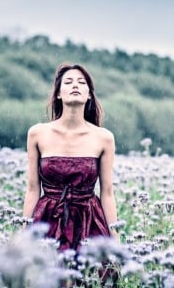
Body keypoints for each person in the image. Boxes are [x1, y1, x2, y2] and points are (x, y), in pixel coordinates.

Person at [22, 62, 119, 251]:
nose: (75, 85)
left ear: (89, 94)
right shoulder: (37, 133)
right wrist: (23, 232)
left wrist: (115, 239)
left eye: (82, 82)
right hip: (47, 220)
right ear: (58, 93)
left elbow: (107, 193)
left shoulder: (104, 138)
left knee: (94, 278)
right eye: (68, 82)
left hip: (89, 221)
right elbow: (33, 190)